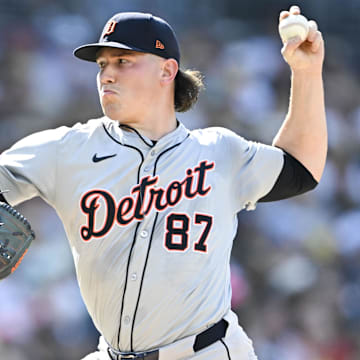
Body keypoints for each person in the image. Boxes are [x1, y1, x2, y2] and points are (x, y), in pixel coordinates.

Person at [0, 5, 326, 360]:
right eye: (102, 65)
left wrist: (306, 73)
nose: (107, 75)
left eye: (123, 61)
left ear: (167, 70)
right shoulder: (67, 151)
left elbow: (300, 168)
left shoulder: (218, 152)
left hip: (206, 352)